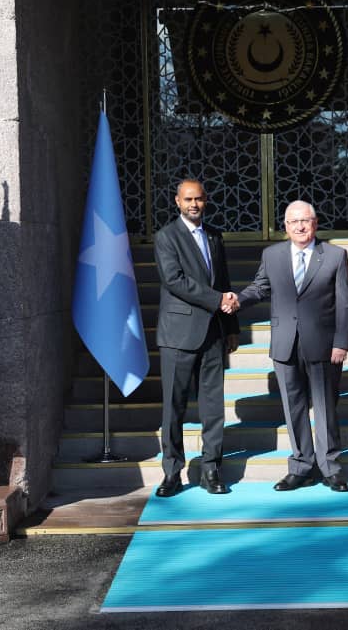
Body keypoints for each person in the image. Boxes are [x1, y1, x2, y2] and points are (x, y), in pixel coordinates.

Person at [230, 200, 348, 492]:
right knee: (293, 407)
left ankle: (331, 468)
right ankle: (301, 467)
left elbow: (345, 303)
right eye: (293, 222)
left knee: (325, 408)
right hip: (285, 344)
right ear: (285, 226)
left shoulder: (335, 255)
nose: (299, 226)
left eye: (305, 220)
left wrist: (341, 343)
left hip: (323, 345)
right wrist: (237, 301)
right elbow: (260, 287)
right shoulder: (272, 255)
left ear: (315, 223)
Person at [153, 179, 239, 497]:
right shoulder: (166, 236)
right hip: (178, 335)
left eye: (199, 199)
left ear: (206, 200)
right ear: (177, 201)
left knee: (213, 406)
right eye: (188, 199)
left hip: (214, 333)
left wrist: (232, 327)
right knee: (173, 407)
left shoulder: (214, 235)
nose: (194, 204)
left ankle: (211, 469)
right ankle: (172, 472)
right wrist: (217, 300)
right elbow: (174, 280)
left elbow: (224, 280)